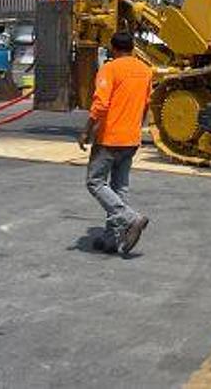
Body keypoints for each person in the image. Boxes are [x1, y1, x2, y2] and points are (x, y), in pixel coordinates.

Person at [78, 31, 152, 255]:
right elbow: (146, 104)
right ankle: (111, 238)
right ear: (132, 47)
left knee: (96, 182)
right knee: (119, 187)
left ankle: (131, 219)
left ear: (113, 48)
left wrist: (86, 131)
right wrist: (136, 127)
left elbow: (100, 104)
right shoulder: (145, 70)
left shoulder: (110, 69)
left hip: (110, 137)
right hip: (131, 138)